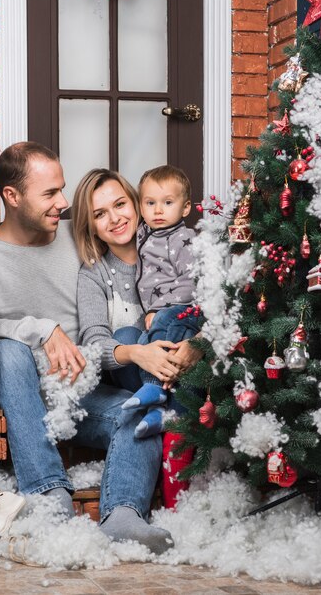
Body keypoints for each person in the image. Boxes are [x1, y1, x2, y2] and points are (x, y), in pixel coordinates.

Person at [0, 142, 175, 555]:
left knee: (140, 411)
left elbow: (134, 254)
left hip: (77, 387)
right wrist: (42, 329)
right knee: (6, 352)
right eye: (50, 194)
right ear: (12, 197)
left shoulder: (75, 234)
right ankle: (49, 495)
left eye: (62, 190)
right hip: (14, 380)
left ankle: (123, 514)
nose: (63, 204)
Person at [74, 168, 203, 439]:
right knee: (127, 335)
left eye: (120, 204)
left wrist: (199, 344)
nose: (114, 218)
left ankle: (171, 422)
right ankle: (159, 407)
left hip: (188, 363)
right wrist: (137, 353)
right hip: (135, 380)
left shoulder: (175, 243)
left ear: (135, 204)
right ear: (91, 226)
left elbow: (216, 302)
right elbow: (94, 342)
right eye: (99, 214)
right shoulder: (92, 274)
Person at [122, 164, 202, 437]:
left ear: (185, 207)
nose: (158, 210)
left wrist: (159, 308)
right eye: (150, 203)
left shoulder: (183, 239)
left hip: (184, 310)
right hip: (160, 315)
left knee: (166, 334)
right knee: (147, 343)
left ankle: (155, 388)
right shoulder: (143, 232)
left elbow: (191, 282)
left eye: (168, 203)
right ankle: (159, 409)